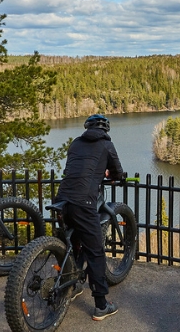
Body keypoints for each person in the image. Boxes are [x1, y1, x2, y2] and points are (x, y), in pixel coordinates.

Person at [54, 113, 127, 320]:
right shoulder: (106, 144)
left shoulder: (75, 143)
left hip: (62, 200)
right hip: (83, 203)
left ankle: (74, 283)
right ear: (106, 130)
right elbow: (117, 172)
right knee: (95, 252)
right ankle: (101, 305)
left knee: (75, 241)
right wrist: (113, 176)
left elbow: (70, 169)